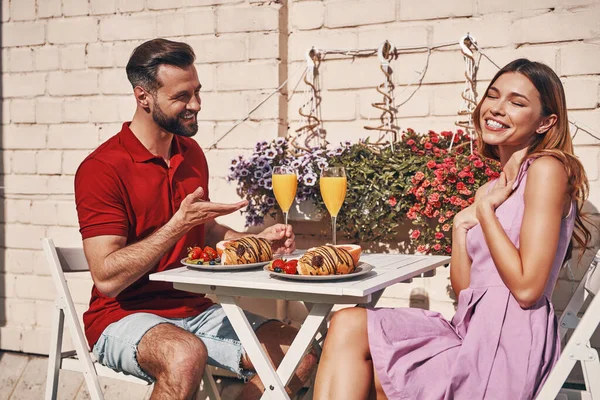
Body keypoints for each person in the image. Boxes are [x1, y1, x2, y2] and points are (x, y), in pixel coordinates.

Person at [313, 59, 591, 400]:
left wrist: (485, 212)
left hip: (507, 348)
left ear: (546, 122)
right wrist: (461, 226)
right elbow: (467, 292)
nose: (497, 109)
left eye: (517, 103)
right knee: (348, 324)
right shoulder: (493, 187)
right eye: (493, 96)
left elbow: (528, 289)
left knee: (376, 369)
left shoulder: (547, 170)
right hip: (469, 331)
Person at [75, 38, 316, 400]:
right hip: (121, 316)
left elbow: (203, 230)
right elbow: (108, 278)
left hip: (194, 308)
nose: (196, 105)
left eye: (197, 92)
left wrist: (252, 242)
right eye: (181, 97)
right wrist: (177, 224)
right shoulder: (102, 169)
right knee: (185, 355)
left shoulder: (190, 153)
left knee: (300, 354)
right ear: (143, 97)